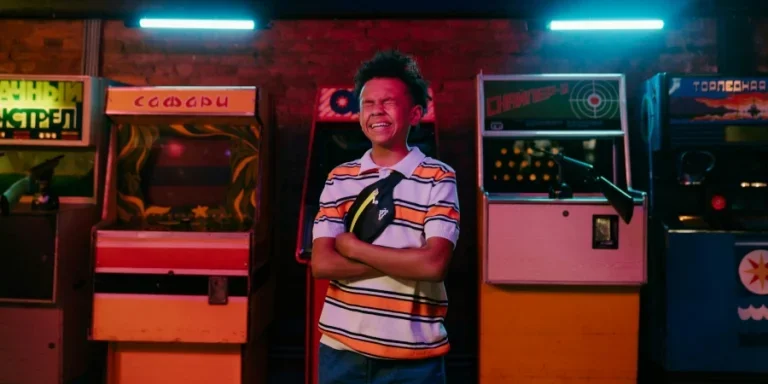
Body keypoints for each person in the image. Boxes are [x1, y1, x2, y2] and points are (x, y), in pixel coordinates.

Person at [310, 49, 460, 384]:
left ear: (415, 113)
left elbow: (434, 266)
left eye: (389, 101)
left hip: (413, 359)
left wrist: (353, 247)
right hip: (340, 351)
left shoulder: (438, 177)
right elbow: (322, 265)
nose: (377, 110)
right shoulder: (339, 177)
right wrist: (407, 259)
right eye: (368, 103)